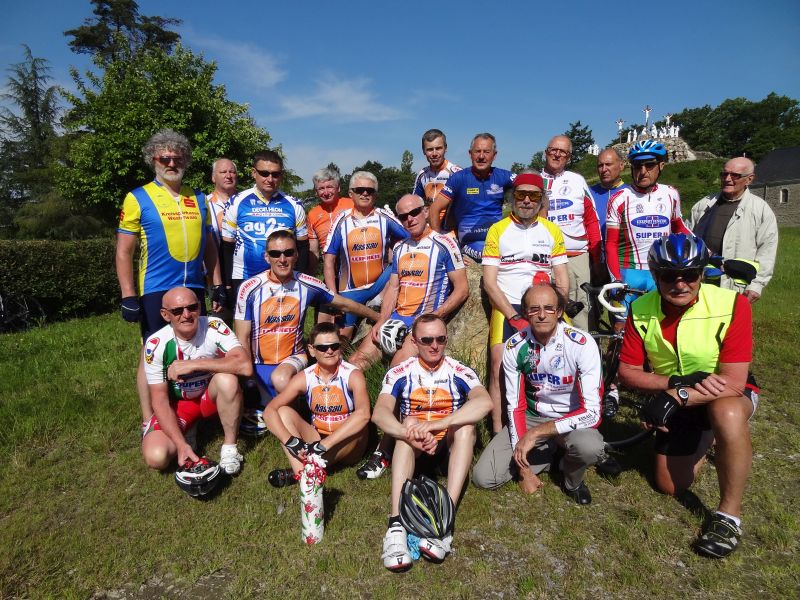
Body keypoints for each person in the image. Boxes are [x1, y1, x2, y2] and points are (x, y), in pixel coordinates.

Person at [618, 233, 758, 559]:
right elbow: (627, 372)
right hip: (679, 391)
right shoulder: (640, 309)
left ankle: (728, 516)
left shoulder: (731, 304)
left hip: (726, 391)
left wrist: (675, 396)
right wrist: (675, 383)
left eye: (690, 275)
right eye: (669, 276)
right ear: (655, 276)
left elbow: (735, 381)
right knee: (670, 486)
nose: (680, 284)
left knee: (727, 413)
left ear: (701, 273)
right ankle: (707, 435)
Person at [349, 194, 469, 479]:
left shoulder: (444, 243)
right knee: (353, 366)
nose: (410, 219)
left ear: (426, 211)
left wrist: (434, 319)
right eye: (403, 216)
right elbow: (392, 287)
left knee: (394, 375)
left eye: (415, 212)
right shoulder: (400, 247)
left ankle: (385, 449)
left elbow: (462, 288)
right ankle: (354, 434)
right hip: (396, 321)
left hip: (422, 325)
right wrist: (380, 321)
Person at [116, 129, 224, 426]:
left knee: (191, 345)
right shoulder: (137, 197)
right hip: (155, 286)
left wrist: (216, 285)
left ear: (186, 161)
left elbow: (210, 246)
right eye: (165, 157)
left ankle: (185, 412)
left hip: (193, 286)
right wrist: (128, 295)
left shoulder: (199, 198)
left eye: (178, 158)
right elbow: (124, 252)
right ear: (154, 160)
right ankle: (149, 418)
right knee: (152, 351)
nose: (172, 163)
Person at [374, 314, 492, 571]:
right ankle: (395, 526)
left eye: (440, 339)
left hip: (447, 447)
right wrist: (410, 433)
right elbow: (380, 413)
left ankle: (443, 518)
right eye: (427, 340)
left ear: (446, 339)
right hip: (414, 448)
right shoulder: (400, 372)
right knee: (407, 425)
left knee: (465, 426)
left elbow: (484, 402)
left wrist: (438, 424)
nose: (434, 345)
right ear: (414, 341)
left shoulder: (458, 370)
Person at [473, 283, 605, 505]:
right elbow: (514, 407)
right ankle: (550, 454)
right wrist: (523, 471)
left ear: (560, 311)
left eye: (549, 308)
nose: (542, 315)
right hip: (532, 416)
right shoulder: (515, 346)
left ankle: (571, 479)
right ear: (525, 313)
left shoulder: (582, 344)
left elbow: (593, 413)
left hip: (572, 417)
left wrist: (534, 436)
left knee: (590, 446)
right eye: (534, 309)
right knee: (483, 478)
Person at [234, 230, 380, 410]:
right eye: (275, 254)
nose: (282, 259)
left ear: (296, 255)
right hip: (258, 363)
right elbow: (243, 336)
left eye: (288, 252)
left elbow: (345, 304)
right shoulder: (249, 288)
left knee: (280, 380)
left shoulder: (307, 283)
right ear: (266, 257)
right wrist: (248, 378)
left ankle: (297, 418)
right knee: (258, 400)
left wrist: (378, 317)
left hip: (293, 357)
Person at [482, 173, 569, 434]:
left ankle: (564, 421)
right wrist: (511, 315)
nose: (527, 201)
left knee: (569, 353)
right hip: (509, 305)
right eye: (521, 195)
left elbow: (562, 277)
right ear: (512, 198)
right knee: (498, 359)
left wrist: (558, 308)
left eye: (534, 196)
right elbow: (489, 282)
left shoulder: (552, 230)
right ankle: (499, 429)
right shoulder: (498, 230)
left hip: (545, 305)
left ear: (541, 199)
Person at [141, 287, 251, 475]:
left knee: (228, 380)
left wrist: (194, 365)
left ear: (200, 307)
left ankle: (230, 448)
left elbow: (245, 366)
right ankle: (187, 431)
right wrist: (180, 444)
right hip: (180, 404)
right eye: (177, 311)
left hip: (210, 397)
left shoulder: (214, 326)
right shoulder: (156, 344)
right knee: (157, 457)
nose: (186, 315)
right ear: (165, 315)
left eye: (192, 308)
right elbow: (159, 399)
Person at [263, 322, 370, 487]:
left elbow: (364, 414)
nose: (329, 351)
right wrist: (290, 441)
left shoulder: (352, 374)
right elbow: (269, 411)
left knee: (360, 424)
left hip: (346, 443)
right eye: (322, 347)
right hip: (316, 438)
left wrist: (324, 445)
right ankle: (306, 476)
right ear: (312, 350)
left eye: (334, 346)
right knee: (283, 411)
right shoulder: (305, 377)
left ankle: (305, 471)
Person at [605, 140, 691, 324]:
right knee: (621, 332)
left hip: (662, 273)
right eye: (637, 165)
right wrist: (616, 280)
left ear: (661, 166)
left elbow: (679, 227)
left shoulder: (671, 194)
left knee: (659, 330)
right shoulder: (619, 198)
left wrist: (706, 251)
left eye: (649, 164)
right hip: (629, 273)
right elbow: (610, 244)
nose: (643, 170)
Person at [323, 171, 408, 339]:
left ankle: (378, 301)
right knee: (343, 337)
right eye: (360, 189)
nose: (365, 193)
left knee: (397, 266)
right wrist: (333, 296)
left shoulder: (384, 217)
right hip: (350, 290)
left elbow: (411, 236)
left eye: (370, 190)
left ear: (375, 195)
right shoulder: (341, 221)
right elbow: (328, 260)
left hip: (380, 284)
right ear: (350, 193)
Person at [687, 157, 778, 303]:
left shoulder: (760, 210)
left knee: (729, 324)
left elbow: (767, 250)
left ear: (749, 179)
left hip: (734, 285)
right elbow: (687, 238)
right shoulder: (703, 204)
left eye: (735, 175)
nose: (727, 179)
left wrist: (757, 285)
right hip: (699, 281)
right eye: (724, 174)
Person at [221, 150, 308, 294]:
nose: (270, 179)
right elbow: (227, 246)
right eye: (264, 173)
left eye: (275, 174)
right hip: (244, 277)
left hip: (284, 279)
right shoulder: (236, 201)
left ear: (281, 175)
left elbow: (303, 246)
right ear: (254, 173)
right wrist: (227, 283)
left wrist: (301, 278)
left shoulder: (294, 204)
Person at [539, 135, 602, 331]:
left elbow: (592, 220)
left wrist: (595, 256)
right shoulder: (534, 179)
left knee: (582, 308)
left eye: (563, 152)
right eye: (553, 150)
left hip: (576, 255)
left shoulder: (577, 180)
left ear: (569, 157)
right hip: (545, 256)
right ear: (546, 152)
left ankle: (586, 352)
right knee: (548, 307)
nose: (557, 154)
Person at [429, 133, 515, 262]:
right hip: (470, 244)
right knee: (491, 257)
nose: (481, 156)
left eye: (486, 152)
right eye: (477, 152)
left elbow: (534, 186)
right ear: (470, 154)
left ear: (494, 155)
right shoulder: (459, 178)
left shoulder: (503, 176)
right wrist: (439, 243)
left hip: (498, 240)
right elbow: (434, 209)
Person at [306, 167, 353, 275]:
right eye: (321, 188)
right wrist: (311, 275)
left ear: (338, 188)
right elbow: (314, 251)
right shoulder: (312, 214)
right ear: (316, 191)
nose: (326, 192)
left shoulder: (352, 204)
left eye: (330, 187)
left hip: (356, 264)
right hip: (331, 270)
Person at [412, 128, 462, 229]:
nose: (434, 153)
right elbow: (414, 206)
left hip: (453, 231)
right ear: (423, 151)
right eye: (430, 149)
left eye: (438, 148)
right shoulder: (422, 174)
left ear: (445, 148)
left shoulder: (457, 173)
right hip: (431, 230)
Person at [589, 148, 627, 238]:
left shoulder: (631, 193)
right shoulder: (588, 194)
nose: (604, 169)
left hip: (622, 251)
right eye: (600, 165)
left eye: (608, 164)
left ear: (621, 166)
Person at [206, 158, 238, 249]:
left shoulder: (246, 203)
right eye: (223, 172)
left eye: (232, 172)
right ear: (213, 177)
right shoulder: (204, 204)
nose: (228, 176)